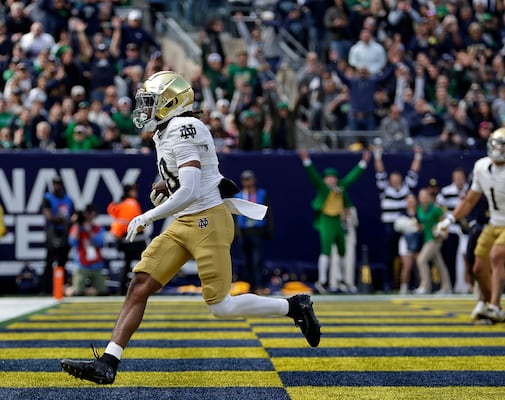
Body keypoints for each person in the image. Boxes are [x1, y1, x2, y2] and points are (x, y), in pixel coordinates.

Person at [61, 71, 321, 385]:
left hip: (208, 220)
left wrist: (148, 216)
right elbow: (187, 179)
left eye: (151, 101)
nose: (145, 108)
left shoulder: (185, 127)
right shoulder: (166, 129)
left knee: (221, 307)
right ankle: (108, 362)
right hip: (185, 220)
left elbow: (191, 190)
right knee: (140, 284)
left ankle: (294, 306)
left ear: (171, 102)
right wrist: (164, 183)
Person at [436, 127, 505, 324]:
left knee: (496, 256)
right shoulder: (481, 166)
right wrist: (450, 219)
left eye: (504, 146)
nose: (498, 149)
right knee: (478, 268)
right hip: (494, 223)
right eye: (497, 144)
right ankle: (489, 304)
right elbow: (470, 200)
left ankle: (495, 307)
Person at [299, 149, 371, 293]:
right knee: (326, 250)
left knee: (343, 251)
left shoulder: (341, 188)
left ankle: (343, 280)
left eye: (333, 177)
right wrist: (306, 161)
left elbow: (352, 177)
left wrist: (363, 163)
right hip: (326, 220)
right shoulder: (323, 188)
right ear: (325, 179)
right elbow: (313, 176)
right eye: (328, 177)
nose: (331, 180)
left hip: (338, 220)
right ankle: (322, 281)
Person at [374, 146, 422, 292]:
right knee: (389, 257)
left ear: (400, 180)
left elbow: (413, 173)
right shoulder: (385, 189)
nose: (395, 182)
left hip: (406, 226)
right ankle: (388, 284)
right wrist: (377, 156)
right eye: (393, 180)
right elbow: (380, 173)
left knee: (409, 257)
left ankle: (412, 284)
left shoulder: (405, 189)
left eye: (397, 179)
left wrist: (418, 157)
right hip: (390, 227)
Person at [233, 170, 273, 294]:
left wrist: (268, 230)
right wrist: (235, 232)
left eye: (249, 179)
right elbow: (234, 216)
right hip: (243, 232)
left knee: (257, 261)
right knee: (246, 261)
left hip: (256, 231)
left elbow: (268, 213)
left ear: (254, 180)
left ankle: (259, 286)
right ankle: (249, 286)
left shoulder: (261, 194)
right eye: (245, 179)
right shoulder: (238, 195)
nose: (247, 182)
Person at [436, 167, 472, 294]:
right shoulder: (446, 191)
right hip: (452, 228)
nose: (458, 180)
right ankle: (450, 286)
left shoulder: (471, 190)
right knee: (450, 259)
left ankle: (468, 285)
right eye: (456, 178)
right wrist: (443, 225)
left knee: (468, 258)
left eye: (460, 178)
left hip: (468, 229)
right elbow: (438, 208)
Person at [107, 183, 145, 295]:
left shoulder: (117, 205)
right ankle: (145, 288)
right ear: (129, 192)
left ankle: (122, 289)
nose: (136, 193)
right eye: (134, 190)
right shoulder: (132, 203)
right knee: (145, 263)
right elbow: (139, 221)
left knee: (127, 264)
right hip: (136, 239)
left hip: (122, 240)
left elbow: (112, 212)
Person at [414, 188, 452, 295]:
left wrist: (443, 233)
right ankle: (446, 287)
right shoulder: (419, 208)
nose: (424, 199)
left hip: (435, 239)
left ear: (429, 197)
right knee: (439, 263)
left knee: (421, 260)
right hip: (426, 238)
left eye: (425, 196)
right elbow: (422, 223)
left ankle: (425, 286)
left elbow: (444, 222)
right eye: (421, 197)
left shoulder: (436, 209)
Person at [41, 176, 74, 294]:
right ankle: (45, 288)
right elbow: (48, 215)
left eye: (59, 184)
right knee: (50, 261)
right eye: (55, 184)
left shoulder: (68, 199)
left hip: (65, 232)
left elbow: (73, 215)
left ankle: (60, 288)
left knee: (62, 262)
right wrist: (59, 219)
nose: (57, 186)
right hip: (53, 232)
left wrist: (68, 221)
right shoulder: (48, 198)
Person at [67, 204, 108, 296]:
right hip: (81, 265)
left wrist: (89, 230)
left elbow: (99, 243)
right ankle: (69, 289)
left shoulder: (97, 228)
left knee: (103, 292)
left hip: (96, 264)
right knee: (78, 293)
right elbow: (72, 242)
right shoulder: (77, 228)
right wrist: (77, 224)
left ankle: (72, 289)